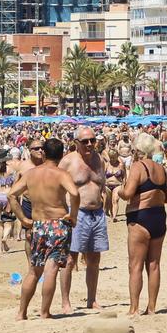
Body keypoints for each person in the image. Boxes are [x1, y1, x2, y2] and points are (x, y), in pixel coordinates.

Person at [11, 138, 80, 320]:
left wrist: (23, 219)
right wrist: (73, 215)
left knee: (34, 271)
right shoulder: (61, 174)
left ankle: (21, 313)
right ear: (61, 154)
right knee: (51, 269)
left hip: (38, 224)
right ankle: (44, 312)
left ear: (44, 153)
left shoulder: (31, 174)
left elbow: (11, 194)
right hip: (57, 223)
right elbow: (74, 193)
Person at [118, 133, 167, 315]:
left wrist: (119, 191)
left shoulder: (137, 167)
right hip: (158, 216)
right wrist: (157, 197)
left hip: (139, 217)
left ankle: (134, 308)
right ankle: (151, 307)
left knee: (135, 265)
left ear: (137, 150)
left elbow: (128, 193)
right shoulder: (161, 169)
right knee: (154, 264)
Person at [60, 126, 108, 311]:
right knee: (70, 259)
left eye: (92, 140)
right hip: (76, 214)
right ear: (76, 143)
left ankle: (92, 300)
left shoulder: (99, 160)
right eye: (85, 141)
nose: (90, 144)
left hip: (97, 213)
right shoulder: (67, 162)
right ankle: (66, 302)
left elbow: (101, 185)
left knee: (94, 259)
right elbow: (57, 188)